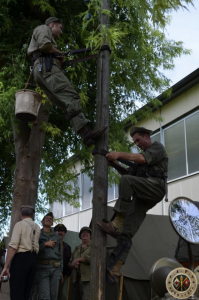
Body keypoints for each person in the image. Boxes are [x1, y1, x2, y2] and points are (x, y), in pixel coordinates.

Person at [97, 126, 168, 284]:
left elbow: (141, 159)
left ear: (146, 136)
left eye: (138, 140)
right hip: (143, 195)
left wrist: (119, 154)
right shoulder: (140, 161)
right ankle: (115, 269)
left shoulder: (157, 148)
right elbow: (128, 173)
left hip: (155, 188)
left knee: (126, 182)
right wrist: (114, 164)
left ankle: (117, 222)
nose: (137, 143)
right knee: (127, 232)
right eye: (135, 141)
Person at [27, 17, 107, 147]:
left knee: (66, 104)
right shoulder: (44, 28)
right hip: (47, 68)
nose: (61, 32)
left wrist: (58, 58)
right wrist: (58, 53)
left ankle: (85, 134)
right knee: (71, 97)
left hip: (42, 71)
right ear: (52, 24)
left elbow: (45, 48)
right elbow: (45, 45)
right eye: (60, 28)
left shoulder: (44, 35)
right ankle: (86, 132)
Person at [0, 205, 40, 300]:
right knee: (26, 293)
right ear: (33, 215)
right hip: (33, 260)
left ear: (20, 214)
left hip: (21, 260)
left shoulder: (20, 225)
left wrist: (6, 266)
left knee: (16, 293)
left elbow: (13, 246)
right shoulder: (37, 227)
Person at [34, 212, 63, 300]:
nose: (49, 219)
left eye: (51, 219)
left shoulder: (56, 236)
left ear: (52, 223)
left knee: (54, 295)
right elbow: (33, 249)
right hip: (42, 269)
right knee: (44, 296)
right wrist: (45, 244)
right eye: (46, 218)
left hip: (55, 269)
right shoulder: (37, 234)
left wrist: (61, 270)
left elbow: (60, 254)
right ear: (42, 222)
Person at [69, 226, 91, 300]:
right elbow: (70, 262)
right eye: (83, 233)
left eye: (87, 233)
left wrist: (80, 259)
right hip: (77, 279)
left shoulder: (94, 247)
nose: (85, 234)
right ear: (80, 236)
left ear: (90, 236)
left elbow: (95, 260)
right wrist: (73, 264)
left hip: (88, 279)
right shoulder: (76, 249)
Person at [54, 224, 71, 300]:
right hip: (51, 273)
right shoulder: (50, 243)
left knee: (58, 295)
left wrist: (66, 274)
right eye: (59, 231)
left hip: (62, 275)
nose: (61, 233)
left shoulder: (67, 247)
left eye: (63, 231)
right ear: (54, 232)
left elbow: (68, 261)